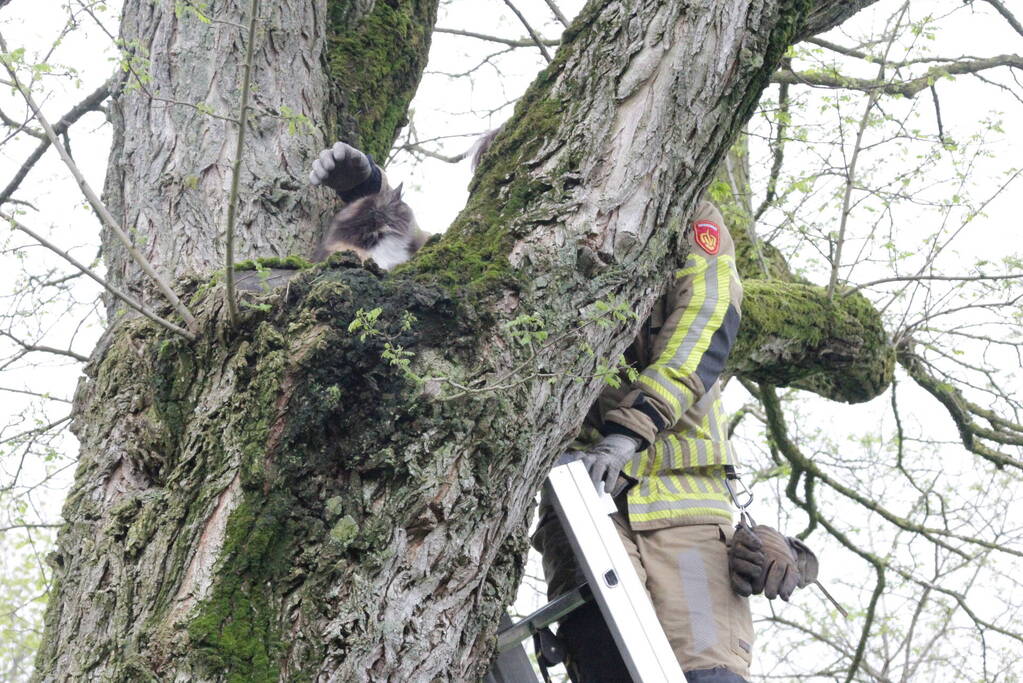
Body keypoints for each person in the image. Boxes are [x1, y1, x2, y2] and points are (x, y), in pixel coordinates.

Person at [532, 200, 811, 683]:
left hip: (685, 521)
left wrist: (629, 432)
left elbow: (705, 319)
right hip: (580, 510)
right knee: (608, 664)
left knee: (709, 675)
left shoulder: (686, 211)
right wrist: (372, 204)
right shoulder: (530, 221)